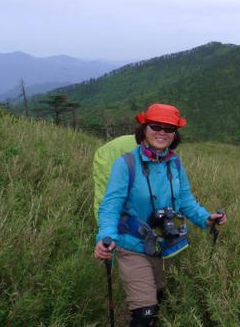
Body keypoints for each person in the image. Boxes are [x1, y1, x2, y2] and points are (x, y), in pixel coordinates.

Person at [94, 103, 227, 326]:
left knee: (159, 300)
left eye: (169, 128)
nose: (162, 133)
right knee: (144, 311)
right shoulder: (126, 164)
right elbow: (110, 206)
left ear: (175, 134)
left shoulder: (175, 162)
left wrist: (205, 218)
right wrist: (105, 237)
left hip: (164, 244)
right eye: (156, 126)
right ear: (144, 128)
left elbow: (185, 200)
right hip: (132, 245)